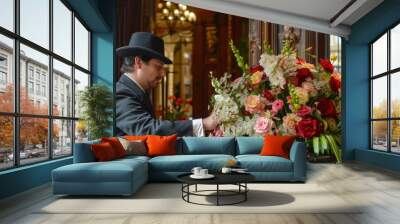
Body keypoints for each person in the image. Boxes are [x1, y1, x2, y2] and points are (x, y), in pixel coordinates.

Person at [115, 32, 219, 137]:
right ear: (138, 62)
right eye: (158, 67)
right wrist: (205, 123)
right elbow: (147, 129)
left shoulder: (134, 91)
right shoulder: (122, 93)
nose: (163, 74)